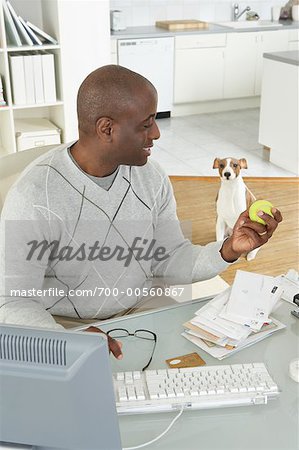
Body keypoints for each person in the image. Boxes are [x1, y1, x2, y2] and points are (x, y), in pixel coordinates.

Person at [0, 65, 282, 360]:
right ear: (106, 129)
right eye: (147, 124)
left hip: (144, 313)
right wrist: (66, 341)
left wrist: (228, 249)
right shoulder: (33, 196)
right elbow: (13, 302)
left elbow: (170, 258)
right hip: (67, 327)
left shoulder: (152, 177)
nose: (157, 133)